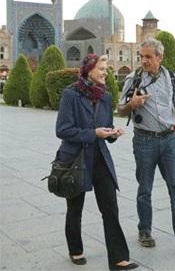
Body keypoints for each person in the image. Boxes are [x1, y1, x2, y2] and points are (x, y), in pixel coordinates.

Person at [117, 38, 175, 252]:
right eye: (142, 57)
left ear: (160, 57)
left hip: (169, 140)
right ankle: (145, 230)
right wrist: (132, 104)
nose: (144, 61)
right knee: (145, 189)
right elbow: (120, 109)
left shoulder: (171, 78)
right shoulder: (134, 79)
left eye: (149, 57)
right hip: (144, 141)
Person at [55, 54, 138, 270]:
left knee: (110, 207)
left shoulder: (106, 97)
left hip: (100, 158)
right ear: (89, 69)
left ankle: (119, 258)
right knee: (75, 208)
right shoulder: (70, 94)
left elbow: (105, 128)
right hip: (76, 159)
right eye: (102, 68)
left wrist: (112, 133)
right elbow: (62, 130)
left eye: (107, 68)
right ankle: (75, 249)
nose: (105, 72)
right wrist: (94, 133)